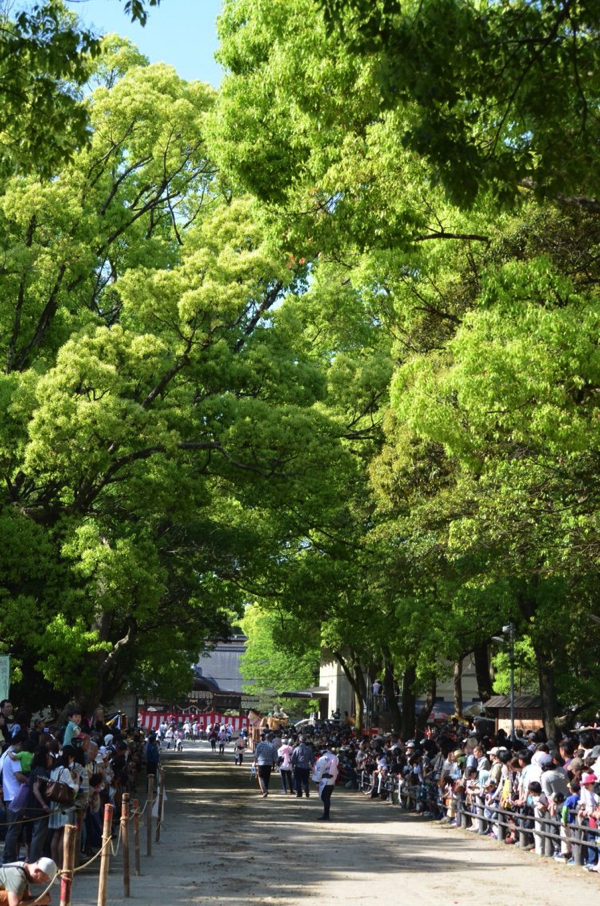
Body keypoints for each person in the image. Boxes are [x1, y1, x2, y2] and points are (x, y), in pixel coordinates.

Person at [313, 746, 339, 821]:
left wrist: (317, 781)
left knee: (325, 798)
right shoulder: (335, 758)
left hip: (324, 780)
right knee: (327, 798)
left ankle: (326, 814)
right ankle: (326, 814)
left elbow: (319, 771)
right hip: (332, 780)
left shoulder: (322, 759)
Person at [253, 734, 279, 798]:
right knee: (267, 777)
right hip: (269, 764)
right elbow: (275, 757)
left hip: (261, 763)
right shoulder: (272, 746)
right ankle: (266, 789)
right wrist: (277, 765)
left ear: (265, 738)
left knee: (261, 777)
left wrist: (254, 762)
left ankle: (264, 790)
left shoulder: (260, 745)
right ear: (269, 738)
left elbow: (256, 754)